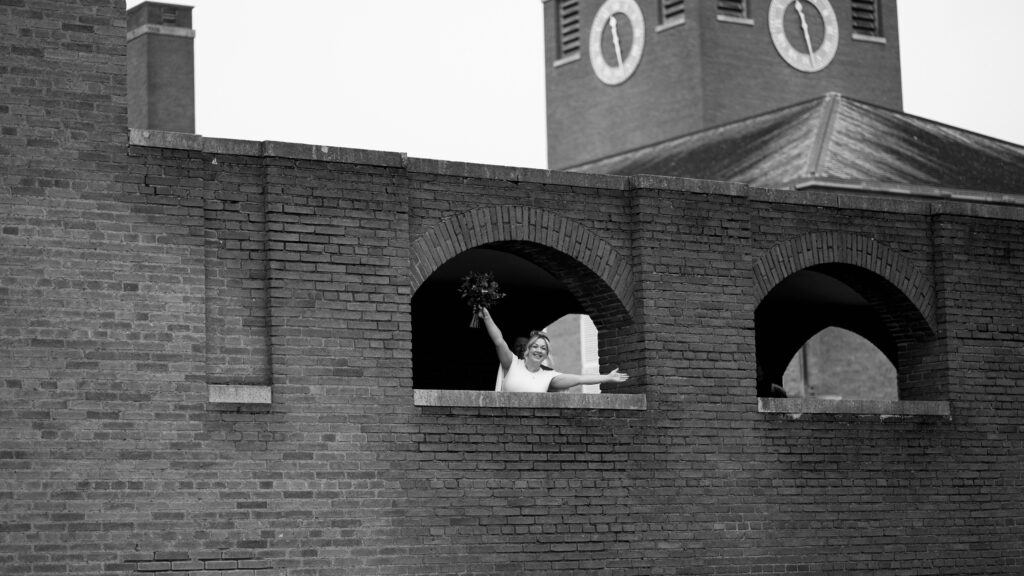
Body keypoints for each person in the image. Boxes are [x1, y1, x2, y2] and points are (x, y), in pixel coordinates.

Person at [479, 308, 628, 393]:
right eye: (535, 346)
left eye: (543, 348)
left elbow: (580, 379)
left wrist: (607, 378)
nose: (539, 350)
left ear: (546, 354)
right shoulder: (512, 363)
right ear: (528, 350)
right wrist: (487, 317)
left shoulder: (549, 376)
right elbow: (499, 341)